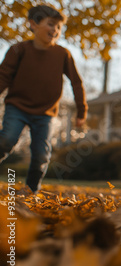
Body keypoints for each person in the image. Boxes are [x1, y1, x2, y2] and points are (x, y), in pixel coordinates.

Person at [0, 5, 88, 193]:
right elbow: (3, 77)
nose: (55, 30)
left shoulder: (63, 54)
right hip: (17, 107)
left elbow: (76, 83)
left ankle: (31, 191)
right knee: (6, 139)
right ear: (33, 24)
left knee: (41, 154)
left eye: (58, 27)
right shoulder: (18, 50)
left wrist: (81, 111)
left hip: (45, 114)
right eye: (50, 24)